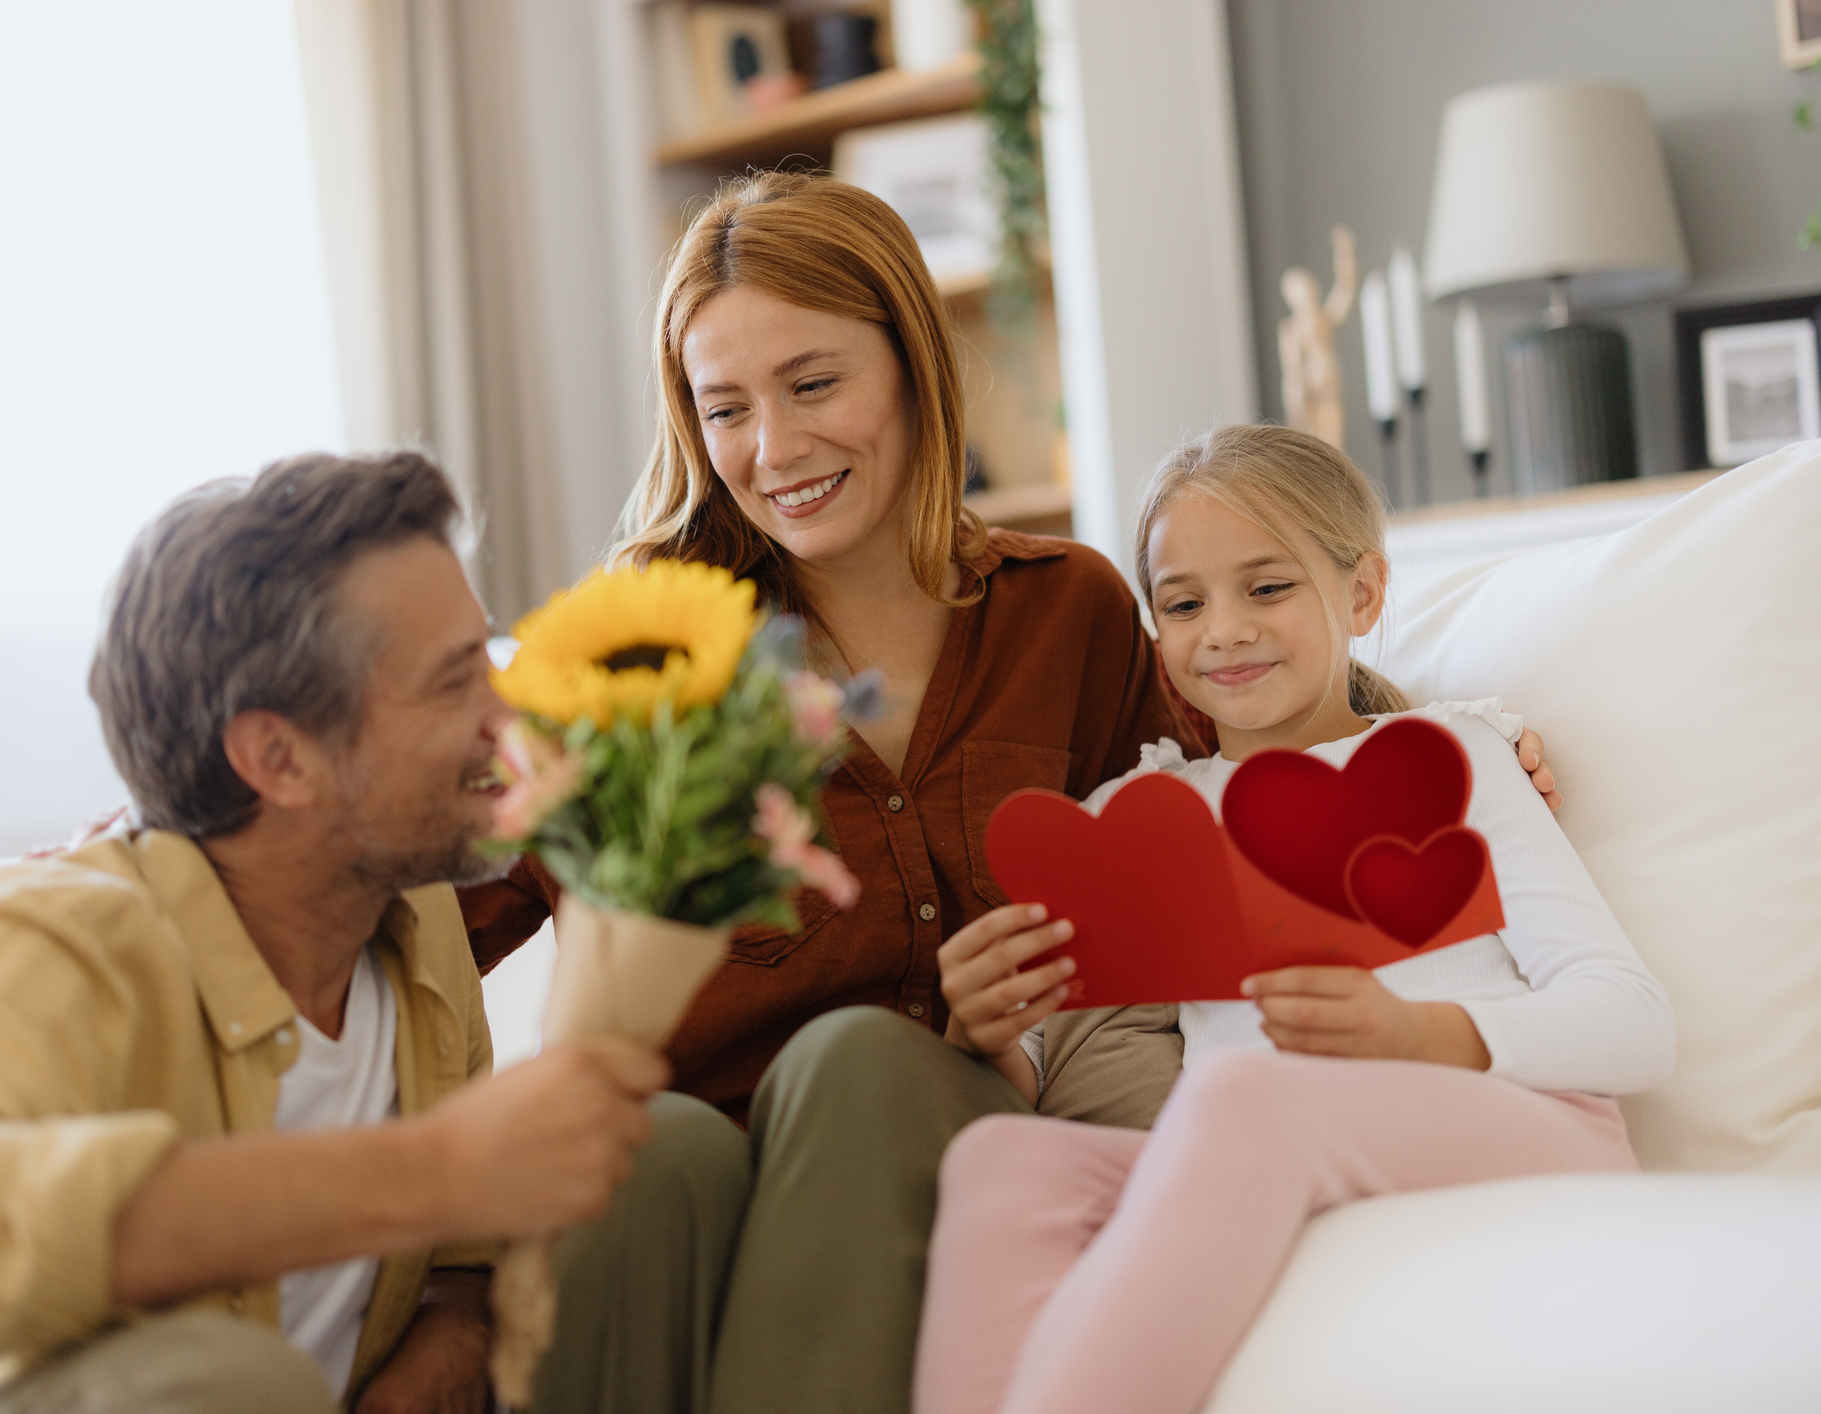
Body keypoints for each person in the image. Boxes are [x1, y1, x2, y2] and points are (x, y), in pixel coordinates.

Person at [465, 174, 1563, 1414]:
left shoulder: (1068, 615)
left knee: (856, 1058)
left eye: (813, 384)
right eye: (724, 408)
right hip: (697, 1193)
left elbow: (1244, 751)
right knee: (628, 1145)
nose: (773, 449)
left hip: (948, 1127)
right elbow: (419, 932)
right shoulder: (626, 671)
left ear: (912, 366)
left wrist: (1448, 746)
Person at [0, 452, 666, 1414]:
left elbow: (460, 1256)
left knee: (665, 1160)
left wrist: (449, 1336)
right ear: (278, 758)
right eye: (455, 683)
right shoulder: (67, 934)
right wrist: (431, 1170)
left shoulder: (413, 918)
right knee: (225, 1375)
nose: (510, 713)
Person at [914, 424, 1676, 1414]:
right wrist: (983, 1033)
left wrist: (1414, 1033)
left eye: (1266, 587)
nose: (1223, 630)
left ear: (1360, 595)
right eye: (1183, 603)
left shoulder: (1453, 757)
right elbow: (1038, 1069)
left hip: (1523, 1125)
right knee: (1003, 1160)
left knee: (1240, 1095)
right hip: (1269, 1141)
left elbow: (1635, 1022)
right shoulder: (1139, 816)